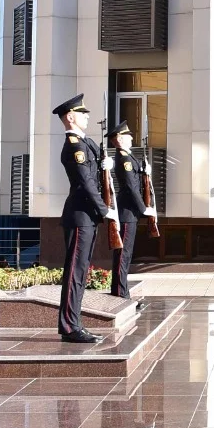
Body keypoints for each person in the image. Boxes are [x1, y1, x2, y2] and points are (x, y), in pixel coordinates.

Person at [53, 94, 115, 343]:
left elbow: (97, 170)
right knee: (75, 273)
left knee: (81, 272)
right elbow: (86, 183)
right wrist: (105, 210)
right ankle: (69, 327)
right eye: (83, 113)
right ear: (70, 117)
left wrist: (106, 164)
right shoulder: (74, 146)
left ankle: (74, 323)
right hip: (80, 216)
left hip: (87, 216)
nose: (88, 116)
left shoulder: (85, 142)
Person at [103, 121, 149, 301]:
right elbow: (131, 187)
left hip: (129, 212)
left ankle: (121, 291)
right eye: (128, 136)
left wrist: (144, 172)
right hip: (127, 212)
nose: (131, 138)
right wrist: (144, 209)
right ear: (120, 139)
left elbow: (136, 182)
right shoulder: (124, 159)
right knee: (123, 254)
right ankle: (121, 293)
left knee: (125, 254)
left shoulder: (128, 157)